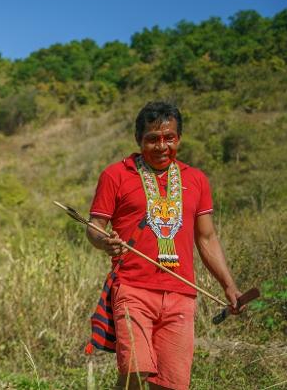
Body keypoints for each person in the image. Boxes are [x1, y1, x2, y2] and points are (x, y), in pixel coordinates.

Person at [85, 101, 243, 390]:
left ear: (179, 138)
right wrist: (105, 242)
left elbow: (206, 238)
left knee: (171, 384)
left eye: (169, 138)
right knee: (135, 371)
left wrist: (229, 285)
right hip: (132, 288)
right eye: (152, 139)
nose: (161, 146)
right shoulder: (116, 175)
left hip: (181, 294)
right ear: (139, 140)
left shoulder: (196, 180)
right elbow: (94, 227)